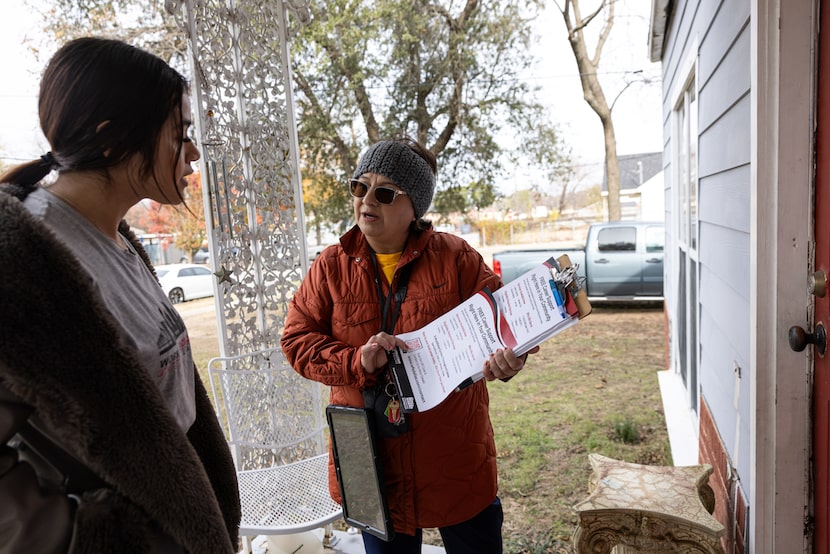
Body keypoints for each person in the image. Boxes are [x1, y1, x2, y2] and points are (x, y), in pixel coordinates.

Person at [0, 37, 240, 552]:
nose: (193, 151)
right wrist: (86, 536)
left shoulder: (118, 240)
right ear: (112, 140)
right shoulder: (24, 262)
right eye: (181, 133)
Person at [280, 136, 536, 554]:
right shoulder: (330, 266)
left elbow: (508, 324)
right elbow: (296, 341)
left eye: (383, 193)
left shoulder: (456, 258)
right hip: (369, 461)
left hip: (453, 457)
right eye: (359, 187)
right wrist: (355, 360)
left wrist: (513, 357)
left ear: (414, 207)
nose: (366, 200)